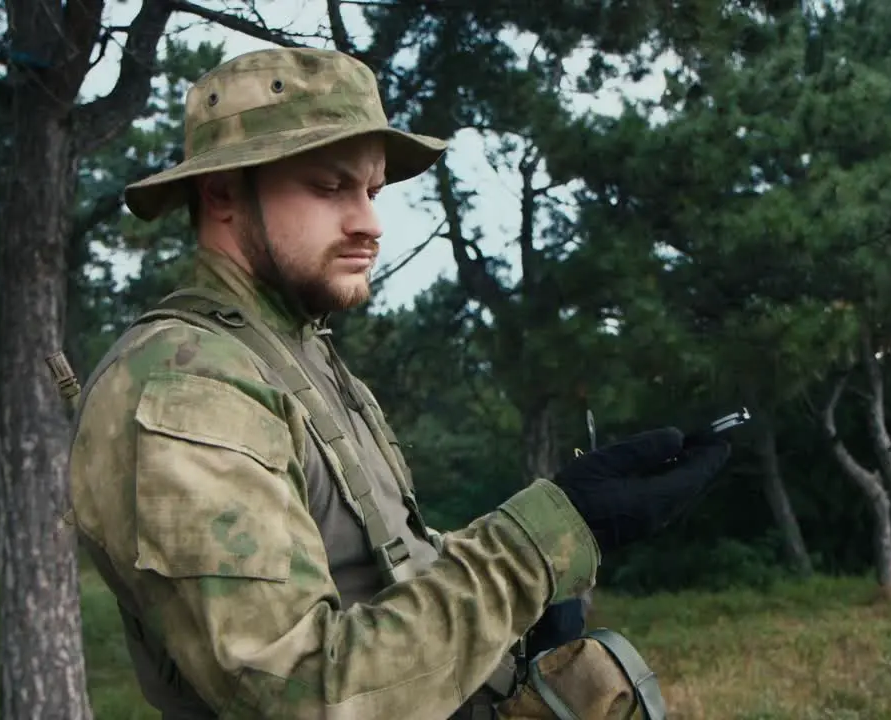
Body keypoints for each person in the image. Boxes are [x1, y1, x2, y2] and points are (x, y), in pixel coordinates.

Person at [66, 46, 732, 720]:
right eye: (330, 188)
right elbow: (303, 693)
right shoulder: (189, 384)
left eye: (373, 191)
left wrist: (549, 566)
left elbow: (387, 565)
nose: (370, 223)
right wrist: (531, 551)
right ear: (222, 194)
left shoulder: (294, 353)